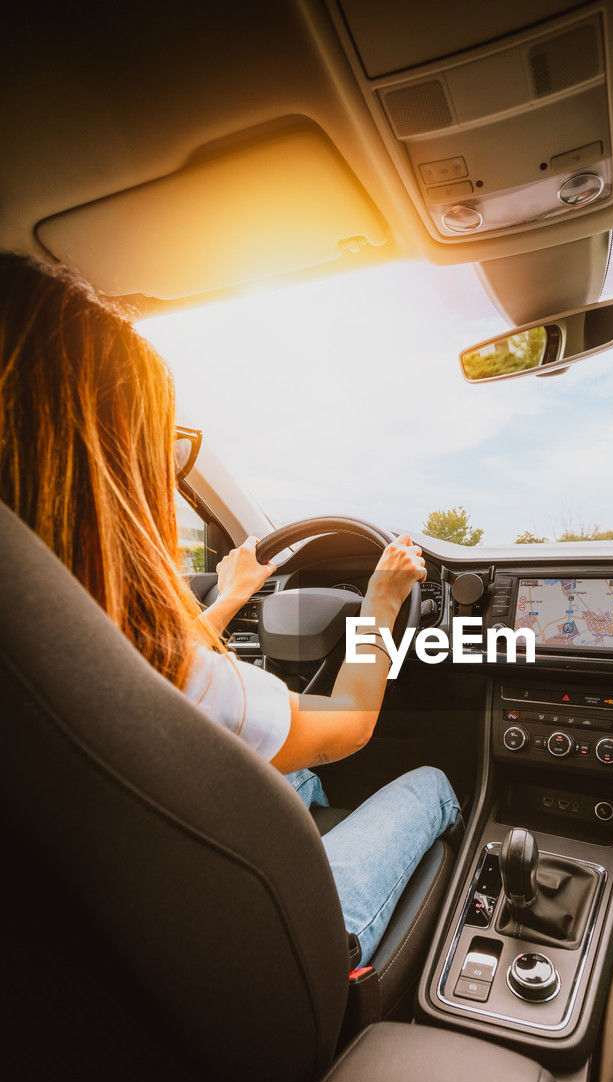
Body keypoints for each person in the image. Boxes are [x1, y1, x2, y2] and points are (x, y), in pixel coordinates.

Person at [0, 251, 460, 967]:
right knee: (430, 784)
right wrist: (379, 604)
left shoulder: (43, 658)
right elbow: (350, 726)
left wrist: (235, 596)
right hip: (262, 965)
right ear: (108, 469)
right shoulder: (190, 684)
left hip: (100, 958)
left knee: (295, 777)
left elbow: (143, 667)